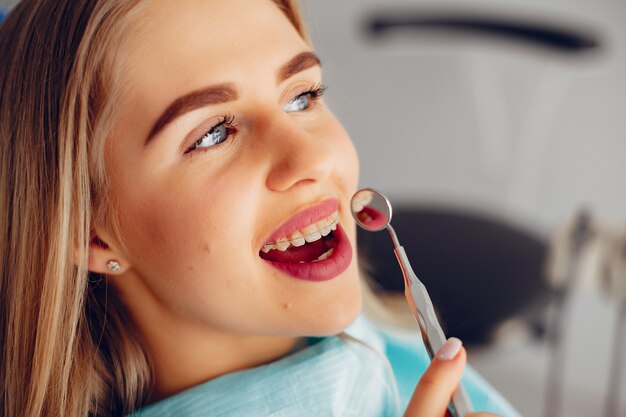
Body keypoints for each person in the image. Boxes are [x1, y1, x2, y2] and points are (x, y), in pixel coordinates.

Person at [0, 1, 520, 416]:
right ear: (91, 235)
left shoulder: (390, 354)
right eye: (213, 134)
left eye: (303, 96)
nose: (313, 156)